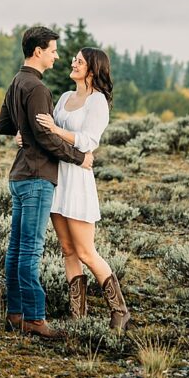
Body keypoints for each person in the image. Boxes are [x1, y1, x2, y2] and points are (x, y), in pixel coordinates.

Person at [0, 26, 93, 340]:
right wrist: (79, 157)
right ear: (38, 51)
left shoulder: (16, 82)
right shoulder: (37, 88)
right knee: (30, 251)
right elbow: (45, 137)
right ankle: (36, 319)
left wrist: (20, 131)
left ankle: (14, 313)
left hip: (20, 175)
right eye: (52, 49)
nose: (56, 55)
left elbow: (4, 125)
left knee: (16, 249)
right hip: (37, 177)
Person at [34, 47, 130, 331]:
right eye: (75, 59)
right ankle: (78, 315)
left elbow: (88, 142)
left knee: (86, 251)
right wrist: (28, 135)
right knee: (67, 250)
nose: (73, 63)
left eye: (80, 61)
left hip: (77, 181)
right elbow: (45, 131)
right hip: (57, 178)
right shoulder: (64, 98)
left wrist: (54, 129)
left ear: (93, 69)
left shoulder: (97, 101)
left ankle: (120, 310)